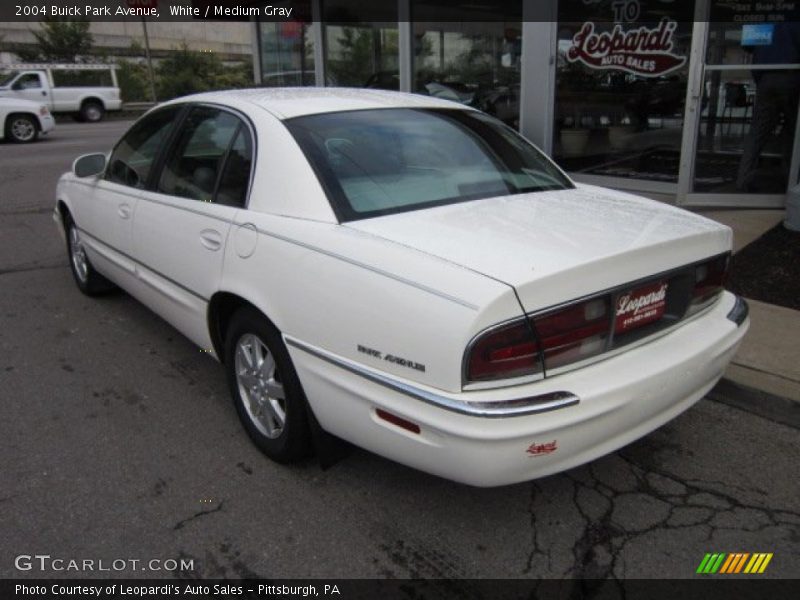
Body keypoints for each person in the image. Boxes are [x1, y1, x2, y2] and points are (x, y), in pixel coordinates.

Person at [736, 21, 800, 192]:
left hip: (765, 78)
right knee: (793, 134)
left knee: (757, 133)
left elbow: (748, 44)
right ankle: (790, 182)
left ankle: (742, 181)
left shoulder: (765, 14)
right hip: (792, 76)